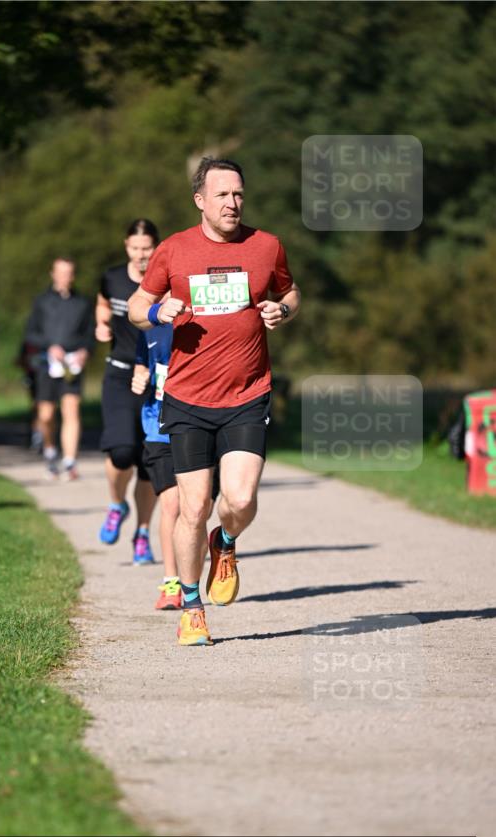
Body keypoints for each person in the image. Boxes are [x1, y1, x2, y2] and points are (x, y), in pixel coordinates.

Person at [128, 157, 301, 645]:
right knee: (193, 506)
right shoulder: (173, 249)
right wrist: (160, 310)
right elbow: (139, 307)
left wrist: (281, 309)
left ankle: (224, 544)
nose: (233, 203)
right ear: (200, 201)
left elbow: (291, 292)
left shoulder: (266, 246)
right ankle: (190, 605)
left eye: (239, 194)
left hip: (247, 392)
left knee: (240, 499)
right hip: (186, 397)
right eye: (222, 195)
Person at [132, 321, 220, 610]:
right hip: (159, 430)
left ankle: (210, 556)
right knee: (172, 504)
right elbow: (141, 365)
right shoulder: (148, 326)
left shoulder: (207, 323)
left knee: (198, 509)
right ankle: (172, 583)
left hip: (201, 428)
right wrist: (139, 376)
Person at [96, 219, 159, 564]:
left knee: (150, 462)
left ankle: (143, 533)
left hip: (157, 381)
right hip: (120, 375)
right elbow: (103, 302)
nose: (141, 256)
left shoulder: (165, 283)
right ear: (126, 247)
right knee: (121, 452)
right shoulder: (113, 277)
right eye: (135, 248)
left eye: (147, 248)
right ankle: (117, 504)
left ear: (156, 248)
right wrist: (100, 324)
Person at [24, 258, 93, 480]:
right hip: (47, 365)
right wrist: (50, 346)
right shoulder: (41, 301)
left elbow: (90, 335)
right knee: (46, 415)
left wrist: (84, 351)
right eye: (61, 273)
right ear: (52, 274)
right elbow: (30, 333)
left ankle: (70, 461)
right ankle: (51, 452)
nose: (65, 277)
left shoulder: (82, 303)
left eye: (69, 273)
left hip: (72, 365)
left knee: (71, 410)